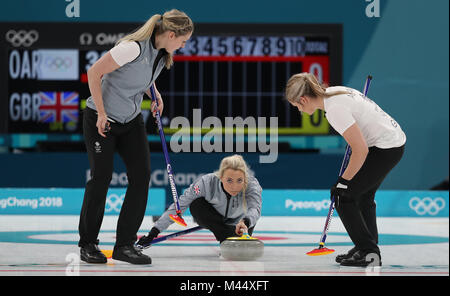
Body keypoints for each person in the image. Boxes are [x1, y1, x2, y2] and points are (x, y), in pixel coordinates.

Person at [78, 9, 194, 265]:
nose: (184, 46)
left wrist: (155, 95)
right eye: (183, 41)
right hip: (102, 119)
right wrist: (101, 113)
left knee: (141, 178)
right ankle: (88, 244)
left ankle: (125, 245)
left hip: (131, 122)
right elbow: (95, 73)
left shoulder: (163, 55)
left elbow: (139, 78)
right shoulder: (132, 48)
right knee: (101, 178)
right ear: (171, 34)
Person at [285, 73, 406, 267]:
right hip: (390, 142)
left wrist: (343, 181)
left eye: (297, 106)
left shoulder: (334, 110)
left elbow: (360, 150)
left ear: (303, 99)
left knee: (342, 196)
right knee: (362, 195)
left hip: (385, 148)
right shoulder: (333, 93)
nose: (299, 110)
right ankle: (365, 245)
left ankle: (369, 252)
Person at [136, 154, 263, 248]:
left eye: (239, 181)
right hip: (214, 218)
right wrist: (153, 234)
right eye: (229, 180)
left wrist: (245, 221)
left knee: (250, 218)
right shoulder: (206, 183)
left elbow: (255, 209)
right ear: (221, 176)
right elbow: (180, 206)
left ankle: (231, 235)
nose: (234, 186)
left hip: (241, 223)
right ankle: (225, 238)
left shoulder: (252, 185)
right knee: (196, 204)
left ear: (245, 178)